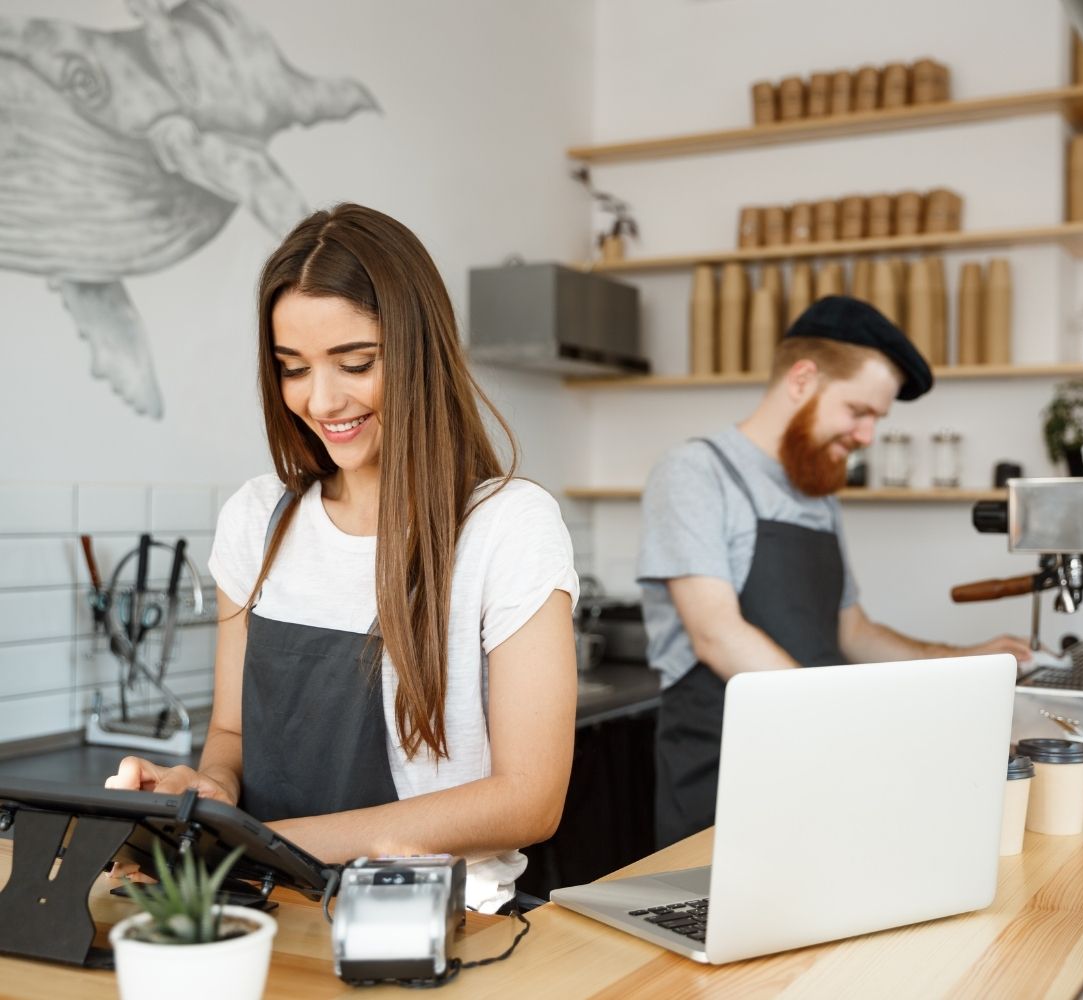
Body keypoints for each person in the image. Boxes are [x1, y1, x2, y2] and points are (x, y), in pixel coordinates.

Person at [105, 203, 579, 912]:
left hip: (432, 922)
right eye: (292, 368)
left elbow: (528, 800)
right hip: (263, 908)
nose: (321, 400)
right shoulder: (256, 521)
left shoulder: (505, 526)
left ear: (419, 350)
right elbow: (231, 735)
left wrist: (256, 838)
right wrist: (209, 794)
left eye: (355, 363)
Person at [637, 295, 1032, 848]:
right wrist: (850, 729)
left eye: (877, 418)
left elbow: (853, 632)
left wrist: (962, 660)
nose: (867, 435)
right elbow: (717, 634)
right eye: (859, 411)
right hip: (726, 780)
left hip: (817, 768)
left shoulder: (815, 494)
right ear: (802, 379)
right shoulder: (696, 472)